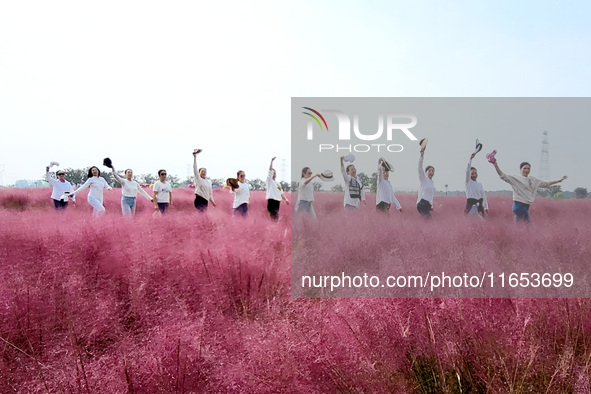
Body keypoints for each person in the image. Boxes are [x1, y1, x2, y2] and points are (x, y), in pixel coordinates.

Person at [489, 152, 567, 222]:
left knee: (518, 227)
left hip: (526, 206)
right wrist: (495, 165)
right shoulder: (516, 178)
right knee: (528, 225)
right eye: (524, 168)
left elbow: (545, 184)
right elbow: (503, 176)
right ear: (520, 169)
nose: (526, 170)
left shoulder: (532, 179)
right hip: (518, 206)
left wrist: (558, 181)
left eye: (528, 169)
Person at [464, 153, 489, 217]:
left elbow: (483, 195)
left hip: (479, 206)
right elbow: (467, 170)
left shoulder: (479, 184)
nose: (474, 175)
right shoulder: (468, 182)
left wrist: (486, 207)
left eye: (475, 173)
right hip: (471, 207)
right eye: (472, 174)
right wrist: (470, 159)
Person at [417, 146, 435, 218]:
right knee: (429, 220)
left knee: (423, 222)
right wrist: (421, 156)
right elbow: (419, 168)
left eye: (432, 171)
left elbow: (431, 195)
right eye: (429, 171)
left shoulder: (432, 183)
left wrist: (431, 205)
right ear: (426, 172)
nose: (431, 172)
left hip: (427, 205)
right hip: (422, 203)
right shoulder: (423, 179)